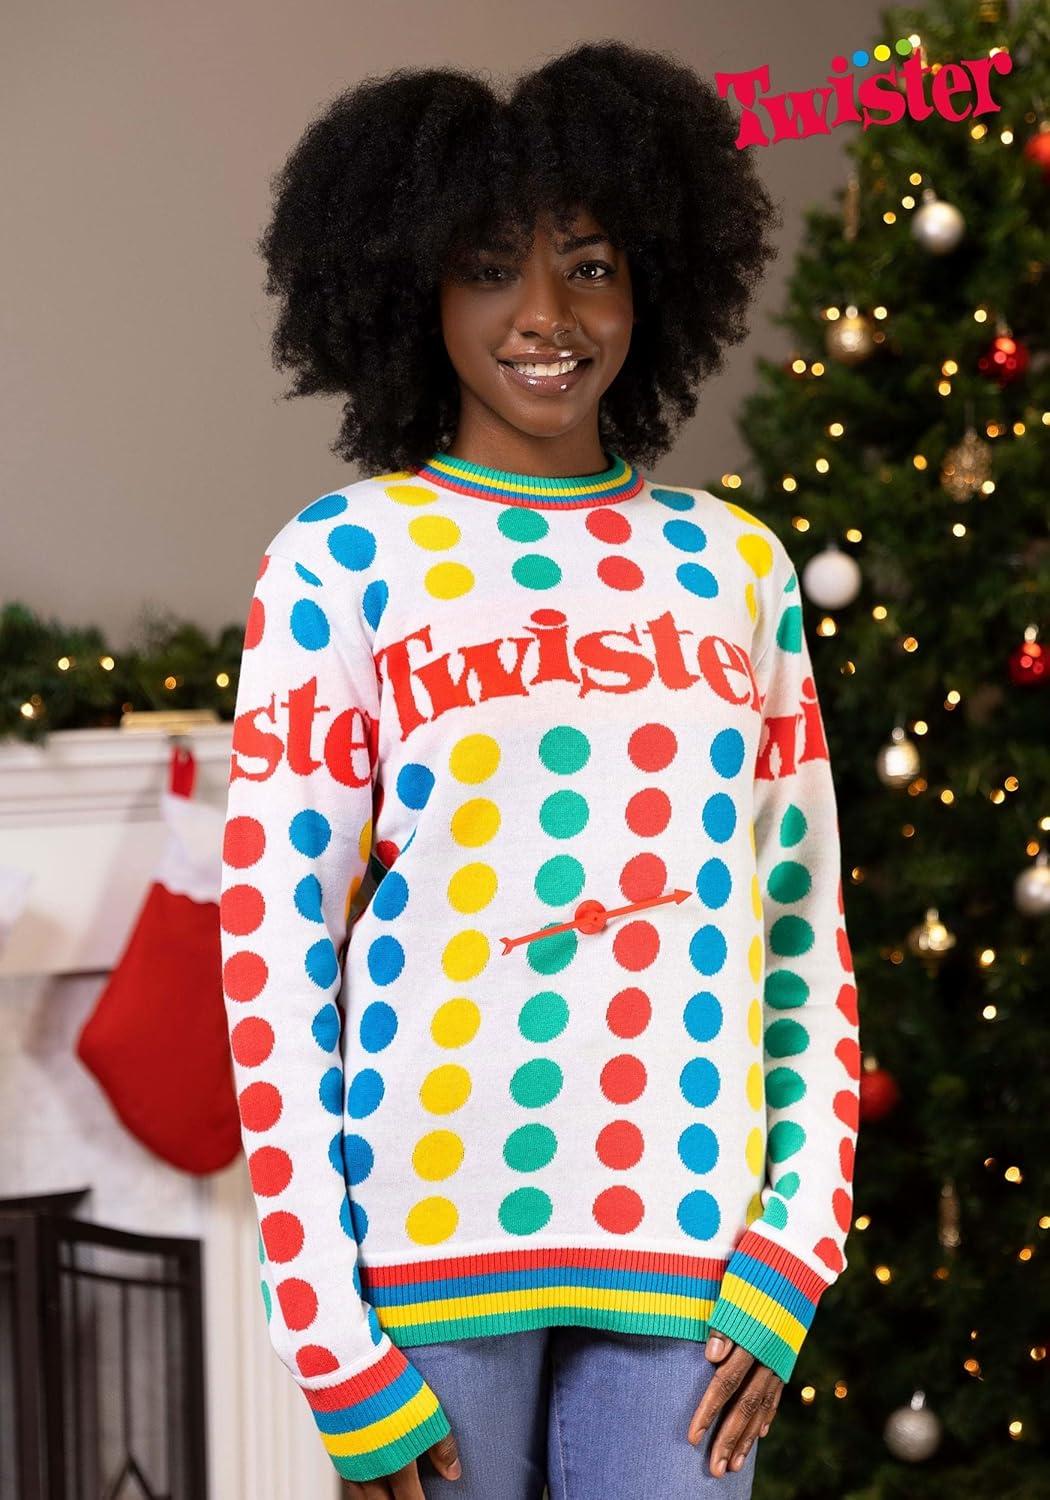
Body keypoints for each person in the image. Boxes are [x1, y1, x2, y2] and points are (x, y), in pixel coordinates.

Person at [219, 38, 860, 1500]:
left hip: (695, 1256)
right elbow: (271, 955)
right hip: (420, 1249)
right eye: (490, 269)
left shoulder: (734, 567)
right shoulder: (341, 562)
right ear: (414, 291)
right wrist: (323, 1328)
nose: (545, 317)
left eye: (590, 267)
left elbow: (801, 923)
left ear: (654, 286)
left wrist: (795, 1243)